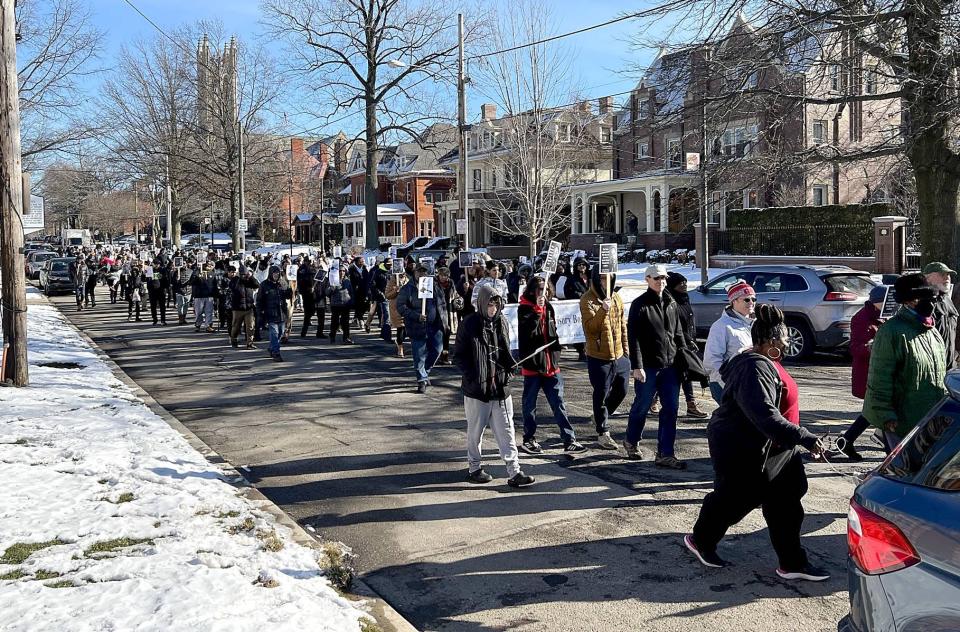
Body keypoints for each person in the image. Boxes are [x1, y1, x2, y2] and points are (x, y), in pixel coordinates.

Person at [686, 304, 828, 581]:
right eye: (784, 337)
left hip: (777, 448)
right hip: (743, 447)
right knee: (735, 500)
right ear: (771, 341)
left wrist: (795, 440)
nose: (788, 341)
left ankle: (792, 563)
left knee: (787, 501)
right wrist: (806, 438)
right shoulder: (754, 368)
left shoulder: (768, 361)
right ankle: (700, 540)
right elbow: (764, 415)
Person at [453, 284, 535, 488]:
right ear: (482, 303)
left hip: (500, 389)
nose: (493, 309)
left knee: (507, 431)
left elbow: (507, 350)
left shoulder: (502, 323)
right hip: (476, 391)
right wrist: (473, 376)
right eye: (490, 304)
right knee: (475, 432)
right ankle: (474, 468)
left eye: (496, 305)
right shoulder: (469, 323)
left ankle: (514, 471)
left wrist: (510, 368)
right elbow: (459, 356)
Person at [863, 273, 948, 453]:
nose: (931, 302)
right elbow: (879, 378)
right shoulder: (891, 332)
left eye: (932, 297)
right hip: (901, 424)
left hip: (931, 421)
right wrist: (885, 415)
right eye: (924, 297)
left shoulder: (933, 332)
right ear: (909, 301)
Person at [624, 264, 690, 469]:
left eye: (663, 278)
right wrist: (637, 366)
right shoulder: (639, 304)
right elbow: (633, 337)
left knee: (671, 409)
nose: (661, 281)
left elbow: (678, 334)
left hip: (671, 367)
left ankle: (665, 453)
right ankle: (631, 441)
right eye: (656, 278)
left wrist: (684, 357)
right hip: (648, 367)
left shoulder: (671, 303)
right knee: (642, 406)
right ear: (647, 280)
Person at [517, 276, 586, 454]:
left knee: (559, 403)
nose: (544, 293)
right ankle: (529, 438)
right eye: (540, 289)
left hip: (551, 365)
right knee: (530, 405)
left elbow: (552, 332)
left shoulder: (549, 307)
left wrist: (557, 351)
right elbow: (528, 334)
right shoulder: (524, 308)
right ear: (532, 291)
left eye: (546, 289)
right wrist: (537, 311)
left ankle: (569, 439)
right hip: (533, 366)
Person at [832, 284, 887, 461]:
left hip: (881, 371)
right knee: (880, 410)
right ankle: (891, 452)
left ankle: (847, 440)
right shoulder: (861, 318)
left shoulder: (885, 316)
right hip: (869, 373)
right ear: (877, 302)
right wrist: (877, 347)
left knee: (874, 410)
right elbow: (856, 349)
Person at [579, 267, 630, 450]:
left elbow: (622, 325)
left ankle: (601, 415)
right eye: (601, 278)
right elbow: (591, 328)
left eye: (609, 278)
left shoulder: (616, 297)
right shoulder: (587, 300)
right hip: (598, 356)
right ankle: (603, 432)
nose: (605, 282)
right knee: (600, 392)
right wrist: (603, 310)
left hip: (619, 355)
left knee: (622, 390)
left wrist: (626, 351)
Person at [397, 263, 448, 393]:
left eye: (424, 272)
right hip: (417, 326)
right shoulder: (408, 288)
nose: (422, 274)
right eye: (419, 271)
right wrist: (416, 316)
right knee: (419, 355)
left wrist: (444, 321)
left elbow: (442, 304)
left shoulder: (435, 286)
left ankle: (425, 372)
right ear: (414, 273)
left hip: (435, 325)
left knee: (437, 350)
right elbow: (401, 307)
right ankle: (421, 380)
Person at [703, 280, 756, 404]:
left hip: (749, 384)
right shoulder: (721, 326)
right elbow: (711, 361)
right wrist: (728, 381)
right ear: (734, 301)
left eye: (754, 299)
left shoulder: (755, 324)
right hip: (726, 385)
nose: (751, 303)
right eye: (746, 300)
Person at [666, 272, 709, 419]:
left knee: (686, 374)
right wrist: (686, 340)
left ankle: (691, 405)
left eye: (685, 282)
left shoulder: (685, 299)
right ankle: (655, 399)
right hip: (676, 345)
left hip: (689, 342)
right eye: (680, 283)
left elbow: (689, 322)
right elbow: (674, 325)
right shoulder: (670, 301)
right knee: (679, 375)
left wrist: (692, 339)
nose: (684, 285)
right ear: (673, 285)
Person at [923, 261, 958, 369]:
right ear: (927, 278)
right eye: (942, 274)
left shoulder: (947, 299)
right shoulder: (922, 302)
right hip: (931, 368)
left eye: (948, 275)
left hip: (949, 365)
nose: (947, 278)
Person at [257, 265, 292, 362]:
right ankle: (276, 353)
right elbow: (259, 300)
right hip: (270, 313)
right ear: (271, 274)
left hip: (281, 312)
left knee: (280, 333)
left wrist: (288, 288)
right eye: (274, 273)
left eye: (278, 273)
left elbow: (288, 296)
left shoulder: (281, 284)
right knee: (274, 333)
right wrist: (260, 312)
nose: (276, 275)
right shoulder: (264, 285)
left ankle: (272, 347)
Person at [564, 257, 591, 361]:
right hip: (576, 307)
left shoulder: (591, 277)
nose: (581, 267)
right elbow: (567, 292)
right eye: (579, 265)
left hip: (590, 307)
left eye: (583, 265)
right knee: (579, 329)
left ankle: (590, 350)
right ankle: (581, 351)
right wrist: (580, 295)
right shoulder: (571, 278)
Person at [434, 266, 463, 365]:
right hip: (437, 311)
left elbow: (455, 294)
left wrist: (458, 299)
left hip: (449, 311)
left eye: (446, 275)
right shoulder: (434, 283)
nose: (443, 277)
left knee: (447, 334)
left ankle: (445, 357)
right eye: (442, 275)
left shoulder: (451, 283)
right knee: (437, 334)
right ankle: (435, 356)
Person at [229, 265, 259, 349]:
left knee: (250, 326)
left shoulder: (249, 281)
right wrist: (238, 278)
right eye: (241, 274)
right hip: (237, 308)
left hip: (249, 307)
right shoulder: (235, 280)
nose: (243, 276)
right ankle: (233, 339)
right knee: (236, 326)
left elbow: (257, 285)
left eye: (244, 274)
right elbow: (233, 287)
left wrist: (251, 277)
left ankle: (250, 343)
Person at [326, 264, 354, 344]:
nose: (342, 272)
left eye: (343, 271)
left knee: (345, 322)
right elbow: (327, 293)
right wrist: (332, 287)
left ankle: (346, 337)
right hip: (336, 304)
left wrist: (352, 301)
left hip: (345, 304)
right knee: (335, 322)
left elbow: (351, 292)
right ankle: (332, 336)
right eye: (340, 271)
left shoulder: (347, 281)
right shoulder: (332, 281)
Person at [385, 265, 408, 357]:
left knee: (406, 329)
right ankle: (400, 348)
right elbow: (387, 295)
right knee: (400, 328)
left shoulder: (408, 280)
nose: (402, 274)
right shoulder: (392, 281)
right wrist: (396, 291)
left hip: (407, 307)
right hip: (396, 308)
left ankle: (399, 342)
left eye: (403, 273)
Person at [191, 262, 217, 332]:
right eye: (208, 264)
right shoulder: (197, 272)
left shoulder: (212, 274)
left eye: (211, 265)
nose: (209, 266)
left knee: (209, 312)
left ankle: (208, 325)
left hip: (209, 296)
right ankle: (198, 325)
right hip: (199, 296)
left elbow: (215, 285)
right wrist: (197, 271)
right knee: (199, 312)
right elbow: (192, 282)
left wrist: (216, 296)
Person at [297, 258, 320, 337]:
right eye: (309, 261)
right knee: (308, 312)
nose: (311, 263)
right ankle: (304, 332)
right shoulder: (303, 269)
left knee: (312, 311)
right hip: (307, 292)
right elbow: (302, 280)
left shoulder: (313, 268)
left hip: (312, 292)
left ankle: (306, 329)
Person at [147, 259, 168, 326]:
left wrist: (166, 289)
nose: (156, 265)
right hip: (152, 290)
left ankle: (163, 320)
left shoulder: (163, 269)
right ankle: (154, 319)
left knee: (162, 306)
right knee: (153, 306)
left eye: (157, 264)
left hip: (161, 289)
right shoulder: (149, 269)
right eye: (155, 264)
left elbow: (165, 278)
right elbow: (146, 279)